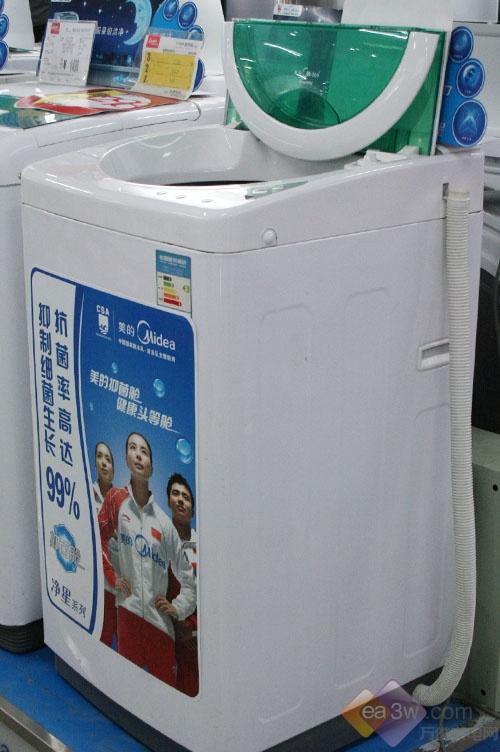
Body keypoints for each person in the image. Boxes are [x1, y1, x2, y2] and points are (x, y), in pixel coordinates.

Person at [98, 432, 196, 686]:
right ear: (126, 458)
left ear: (152, 466)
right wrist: (112, 578)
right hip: (127, 617)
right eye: (133, 448)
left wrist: (177, 608)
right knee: (126, 689)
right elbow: (97, 538)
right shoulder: (116, 502)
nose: (139, 455)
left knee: (166, 696)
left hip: (159, 627)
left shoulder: (164, 523)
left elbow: (189, 580)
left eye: (145, 451)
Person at [164, 473, 198, 696]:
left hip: (193, 641)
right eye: (175, 494)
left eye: (186, 497)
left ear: (193, 509)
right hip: (164, 633)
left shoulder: (203, 548)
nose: (180, 500)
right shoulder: (158, 540)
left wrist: (193, 631)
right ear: (168, 500)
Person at [93, 442, 117, 648]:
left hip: (118, 586)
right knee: (102, 638)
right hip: (95, 582)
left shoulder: (121, 501)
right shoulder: (86, 494)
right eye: (100, 457)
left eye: (108, 459)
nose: (103, 462)